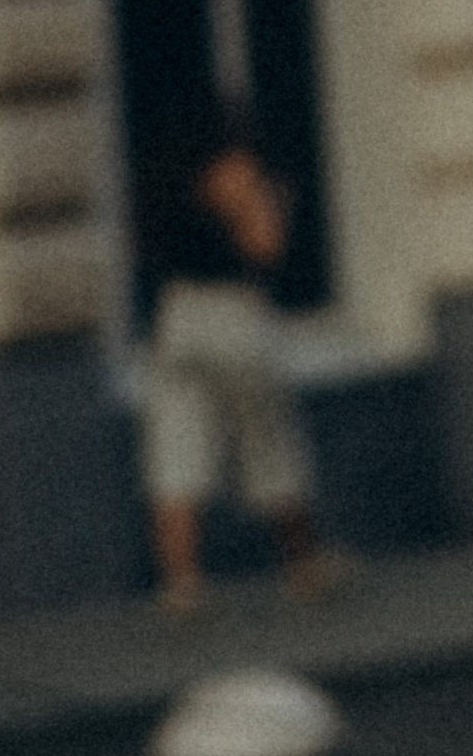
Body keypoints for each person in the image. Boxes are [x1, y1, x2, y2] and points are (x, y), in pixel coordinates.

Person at [136, 99, 340, 610]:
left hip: (177, 313)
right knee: (267, 440)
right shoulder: (238, 171)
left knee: (178, 445)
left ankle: (182, 583)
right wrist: (274, 203)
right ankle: (304, 563)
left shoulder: (166, 179)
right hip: (235, 314)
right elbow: (264, 248)